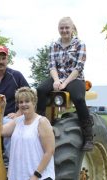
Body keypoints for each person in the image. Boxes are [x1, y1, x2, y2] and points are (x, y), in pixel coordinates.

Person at [36, 17, 94, 151]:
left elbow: (78, 67)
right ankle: (42, 125)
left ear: (72, 28)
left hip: (74, 78)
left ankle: (88, 135)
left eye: (67, 27)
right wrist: (56, 81)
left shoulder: (80, 44)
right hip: (58, 76)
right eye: (61, 28)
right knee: (40, 90)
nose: (64, 30)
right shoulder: (54, 45)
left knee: (78, 98)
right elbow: (52, 66)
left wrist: (65, 83)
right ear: (58, 29)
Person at [0, 87, 55, 180]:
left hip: (40, 176)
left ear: (34, 102)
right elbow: (0, 131)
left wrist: (36, 175)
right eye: (20, 102)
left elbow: (49, 151)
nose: (23, 104)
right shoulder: (17, 121)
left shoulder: (42, 122)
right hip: (20, 177)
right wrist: (2, 108)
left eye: (27, 101)